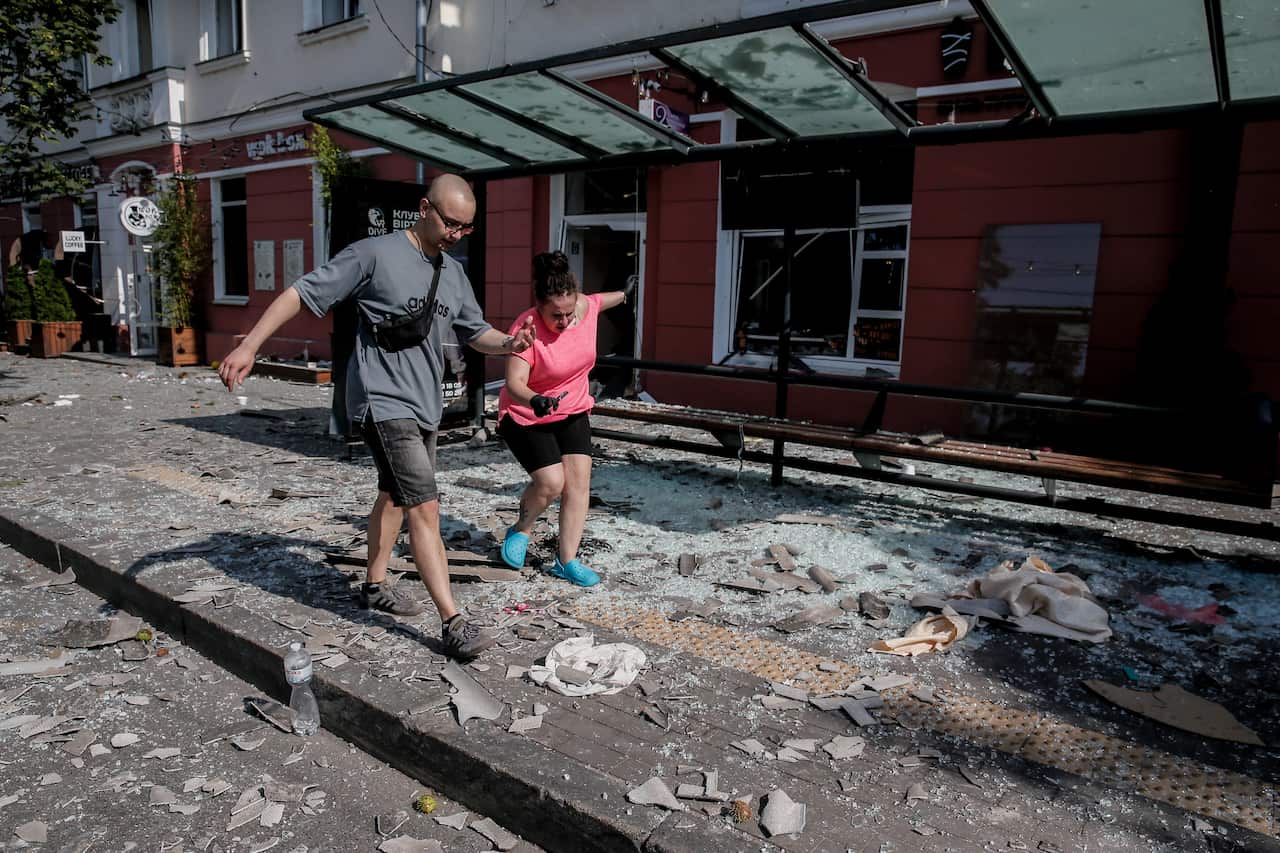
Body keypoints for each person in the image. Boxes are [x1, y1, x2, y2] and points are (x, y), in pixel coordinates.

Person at [217, 174, 534, 660]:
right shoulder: (374, 253)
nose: (457, 233)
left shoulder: (451, 272)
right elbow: (301, 294)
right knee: (424, 507)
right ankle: (453, 622)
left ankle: (374, 585)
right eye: (451, 223)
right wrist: (251, 346)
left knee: (393, 496)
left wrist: (509, 343)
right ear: (425, 208)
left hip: (424, 404)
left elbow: (476, 332)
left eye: (466, 228)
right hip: (382, 402)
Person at [496, 250, 631, 586]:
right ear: (539, 306)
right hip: (526, 411)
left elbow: (604, 299)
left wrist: (629, 293)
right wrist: (535, 399)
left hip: (571, 408)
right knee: (551, 483)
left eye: (569, 312)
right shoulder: (525, 328)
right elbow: (513, 384)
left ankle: (566, 560)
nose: (565, 321)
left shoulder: (583, 308)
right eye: (556, 315)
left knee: (579, 484)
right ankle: (520, 529)